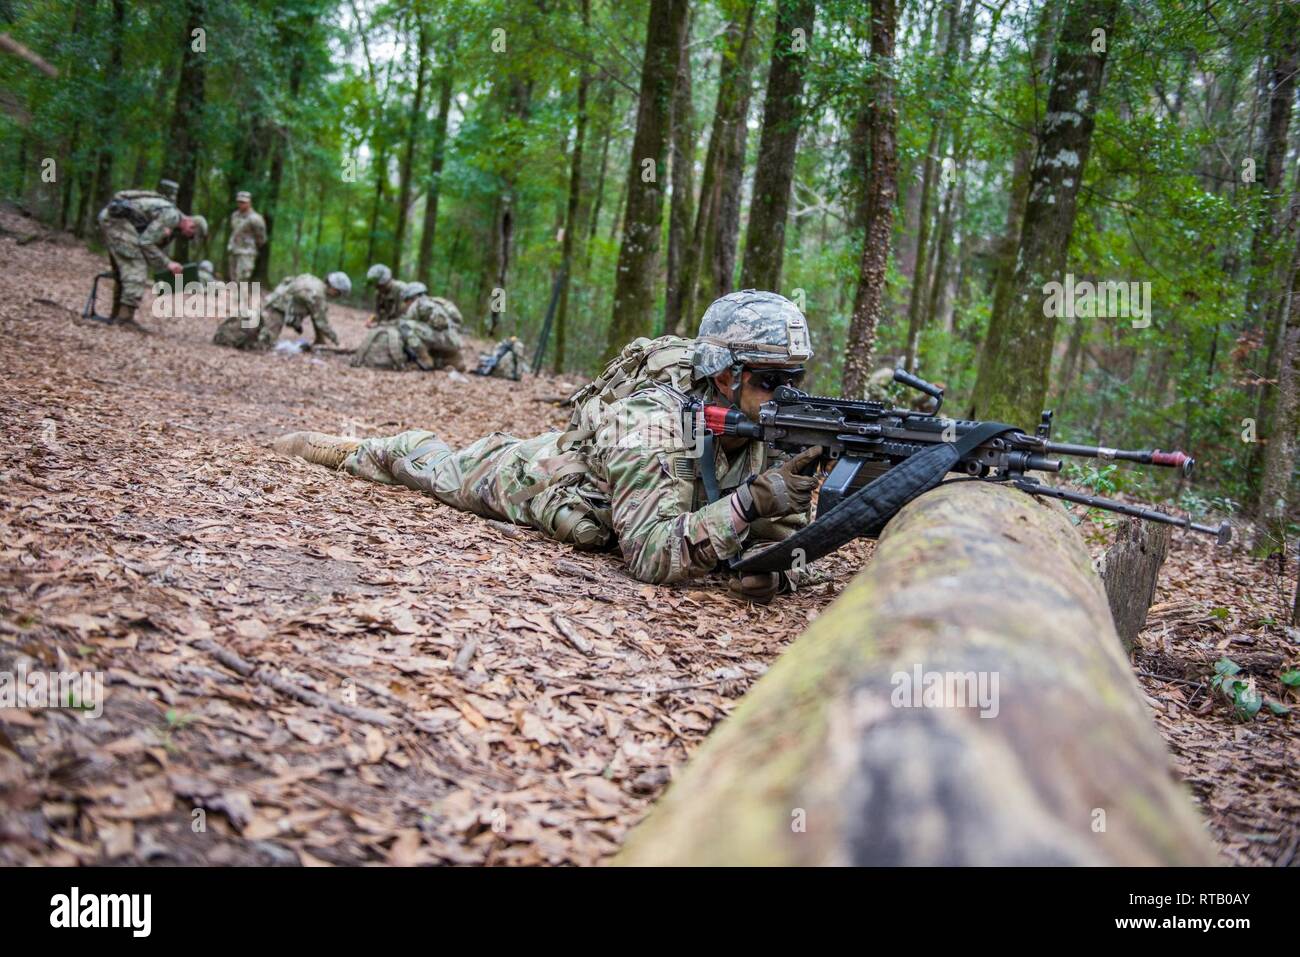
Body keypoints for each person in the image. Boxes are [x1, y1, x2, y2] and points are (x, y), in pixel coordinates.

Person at [273, 290, 819, 601]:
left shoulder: (766, 416)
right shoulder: (650, 417)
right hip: (547, 477)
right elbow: (650, 557)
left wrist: (775, 558)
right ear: (725, 375)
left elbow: (780, 536)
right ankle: (352, 449)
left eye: (796, 376)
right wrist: (749, 505)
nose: (788, 393)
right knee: (435, 467)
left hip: (635, 499)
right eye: (772, 380)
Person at [96, 187, 201, 330]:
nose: (186, 236)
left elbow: (146, 238)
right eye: (190, 234)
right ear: (192, 225)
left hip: (114, 218)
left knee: (124, 271)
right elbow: (146, 242)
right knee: (136, 268)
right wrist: (168, 263)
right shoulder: (172, 216)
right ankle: (124, 319)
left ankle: (116, 315)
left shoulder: (170, 212)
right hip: (117, 222)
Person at [213, 271, 350, 350]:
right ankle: (229, 337)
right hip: (277, 312)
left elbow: (287, 283)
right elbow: (322, 323)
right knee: (263, 344)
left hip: (274, 304)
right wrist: (337, 342)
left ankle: (232, 331)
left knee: (259, 326)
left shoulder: (311, 279)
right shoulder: (318, 294)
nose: (336, 296)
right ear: (333, 288)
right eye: (338, 293)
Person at [351, 282, 463, 371]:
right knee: (417, 334)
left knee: (405, 327)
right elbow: (458, 320)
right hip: (453, 340)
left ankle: (425, 360)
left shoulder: (419, 303)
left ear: (412, 297)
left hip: (441, 337)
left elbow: (403, 322)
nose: (406, 303)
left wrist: (381, 325)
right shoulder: (437, 302)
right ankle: (452, 360)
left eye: (406, 300)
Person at [226, 191, 266, 283]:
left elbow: (261, 238)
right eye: (239, 202)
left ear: (249, 202)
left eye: (243, 202)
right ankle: (236, 297)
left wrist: (252, 247)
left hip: (247, 252)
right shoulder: (235, 215)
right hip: (234, 250)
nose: (241, 204)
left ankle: (242, 297)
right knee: (234, 280)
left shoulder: (256, 219)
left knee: (243, 278)